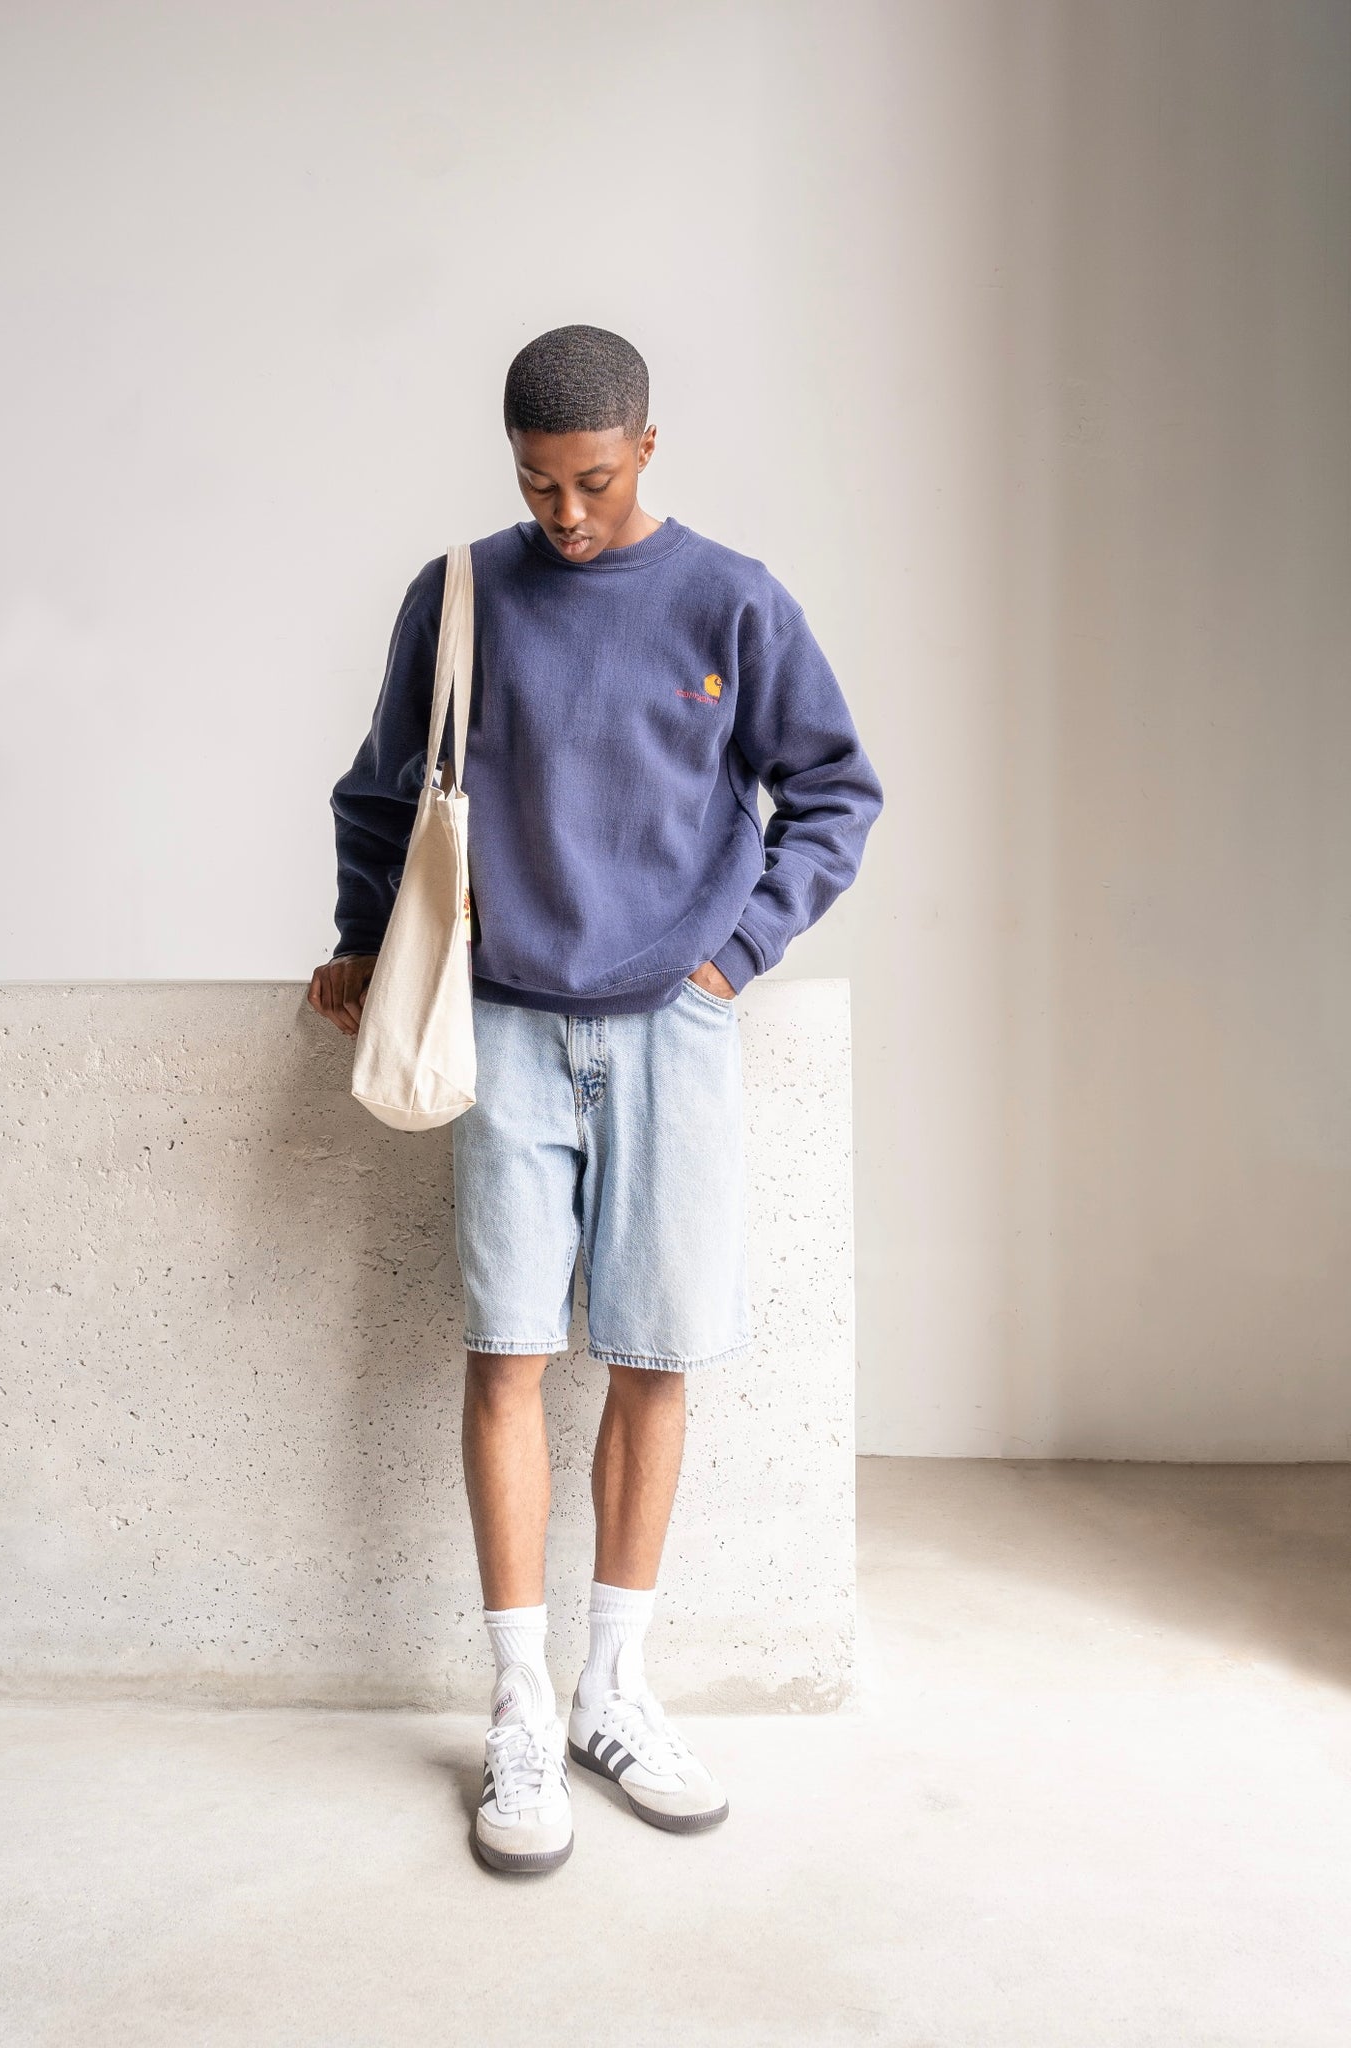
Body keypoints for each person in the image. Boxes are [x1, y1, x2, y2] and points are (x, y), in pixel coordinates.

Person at [310, 325, 883, 1875]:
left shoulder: (731, 600)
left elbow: (835, 791)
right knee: (504, 1354)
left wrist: (735, 953)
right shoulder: (463, 592)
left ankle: (615, 1685)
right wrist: (366, 943)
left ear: (646, 447)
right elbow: (383, 791)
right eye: (535, 485)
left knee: (656, 1356)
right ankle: (516, 1707)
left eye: (591, 482)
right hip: (496, 1027)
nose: (562, 515)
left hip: (672, 1036)